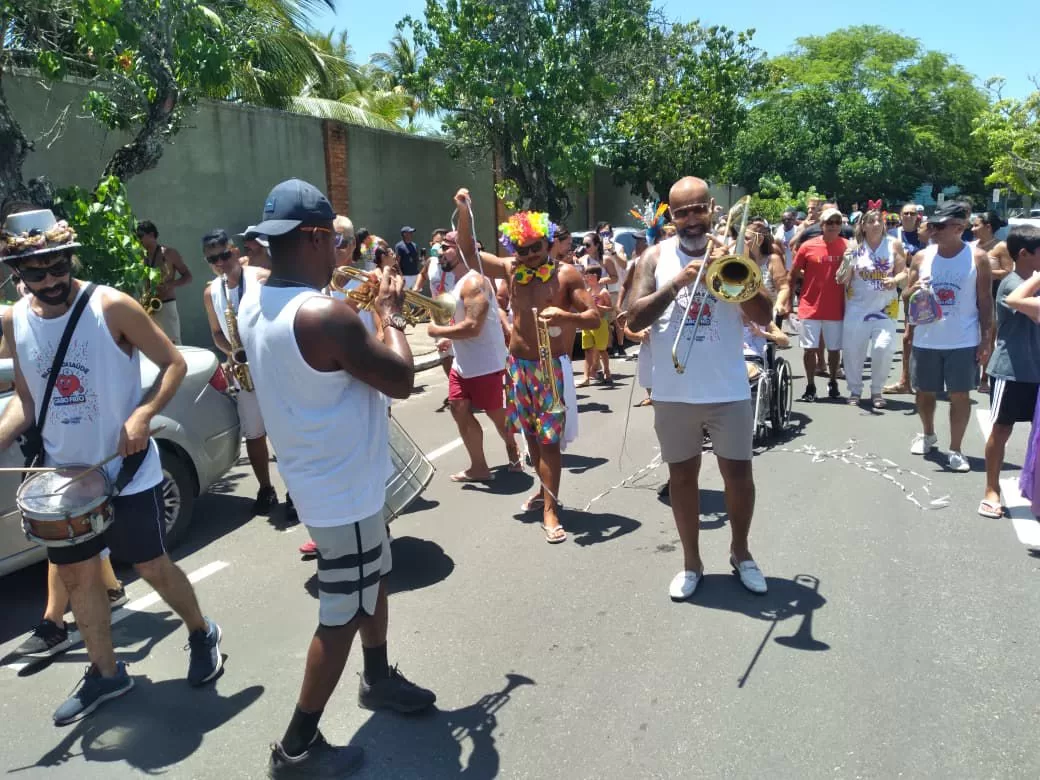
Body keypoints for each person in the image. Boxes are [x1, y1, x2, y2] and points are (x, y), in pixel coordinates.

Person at [236, 179, 435, 776]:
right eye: (338, 241)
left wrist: (362, 306)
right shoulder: (326, 314)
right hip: (341, 489)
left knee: (374, 581)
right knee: (342, 611)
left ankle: (376, 679)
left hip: (334, 479)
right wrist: (391, 312)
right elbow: (400, 377)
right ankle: (296, 746)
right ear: (319, 237)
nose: (343, 253)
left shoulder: (254, 301)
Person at [0, 208, 221, 725]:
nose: (52, 279)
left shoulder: (111, 306)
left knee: (149, 565)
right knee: (79, 579)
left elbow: (174, 363)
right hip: (68, 478)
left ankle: (199, 630)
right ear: (16, 273)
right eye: (37, 271)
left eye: (59, 265)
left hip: (128, 469)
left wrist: (143, 414)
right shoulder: (15, 320)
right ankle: (106, 673)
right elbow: (26, 403)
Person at [626, 175, 774, 600]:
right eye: (681, 212)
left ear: (711, 208)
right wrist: (677, 284)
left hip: (727, 388)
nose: (691, 219)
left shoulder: (735, 253)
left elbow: (763, 315)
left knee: (739, 478)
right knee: (682, 479)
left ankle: (741, 553)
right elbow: (632, 320)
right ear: (671, 216)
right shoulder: (654, 258)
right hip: (674, 393)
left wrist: (730, 272)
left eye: (697, 209)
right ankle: (691, 562)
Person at [455, 190, 599, 544]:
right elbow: (468, 252)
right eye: (522, 250)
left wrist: (565, 315)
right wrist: (463, 212)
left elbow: (594, 318)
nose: (530, 256)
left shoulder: (566, 276)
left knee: (548, 442)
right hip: (518, 368)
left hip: (551, 369)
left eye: (536, 247)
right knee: (532, 438)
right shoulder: (509, 269)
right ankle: (544, 489)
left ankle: (551, 508)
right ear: (513, 250)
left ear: (548, 243)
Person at [200, 229, 285, 516]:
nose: (221, 263)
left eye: (225, 255)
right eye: (213, 259)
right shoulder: (211, 292)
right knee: (254, 434)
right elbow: (215, 333)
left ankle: (297, 491)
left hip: (272, 366)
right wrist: (232, 351)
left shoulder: (261, 277)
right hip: (244, 370)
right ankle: (265, 488)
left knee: (285, 431)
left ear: (235, 251)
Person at [905, 201, 993, 472]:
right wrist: (914, 289)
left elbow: (985, 300)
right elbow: (905, 296)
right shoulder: (922, 257)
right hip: (926, 338)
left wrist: (986, 339)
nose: (933, 230)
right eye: (931, 225)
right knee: (924, 393)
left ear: (959, 227)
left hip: (963, 339)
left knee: (960, 395)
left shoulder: (977, 257)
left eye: (939, 226)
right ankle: (928, 433)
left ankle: (956, 449)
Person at [426, 231, 520, 482]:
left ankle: (513, 448)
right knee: (458, 408)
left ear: (462, 250)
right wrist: (449, 337)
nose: (440, 252)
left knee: (498, 419)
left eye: (446, 247)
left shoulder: (474, 281)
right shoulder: (455, 283)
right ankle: (479, 467)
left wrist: (439, 331)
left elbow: (473, 327)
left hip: (488, 364)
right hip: (462, 364)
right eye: (439, 247)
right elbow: (462, 322)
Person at [979, 225, 1040, 517]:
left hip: (1036, 371)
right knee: (1002, 429)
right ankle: (992, 489)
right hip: (1011, 369)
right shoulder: (1012, 283)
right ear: (1025, 254)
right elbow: (1025, 305)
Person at [840, 209, 908, 408]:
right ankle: (855, 390)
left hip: (885, 308)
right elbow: (842, 278)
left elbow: (904, 273)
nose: (876, 224)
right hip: (857, 307)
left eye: (879, 220)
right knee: (854, 351)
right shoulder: (854, 246)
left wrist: (894, 279)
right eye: (871, 221)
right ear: (863, 225)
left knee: (882, 349)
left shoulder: (894, 244)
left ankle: (877, 390)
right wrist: (845, 262)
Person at [787, 207, 848, 401]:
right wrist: (788, 302)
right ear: (822, 225)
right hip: (809, 305)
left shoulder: (849, 246)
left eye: (837, 222)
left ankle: (832, 381)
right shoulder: (808, 246)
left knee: (834, 349)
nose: (834, 226)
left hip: (836, 307)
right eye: (830, 223)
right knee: (809, 349)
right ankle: (811, 385)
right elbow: (793, 274)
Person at [884, 204, 924, 394]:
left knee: (915, 333)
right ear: (900, 216)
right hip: (897, 283)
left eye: (912, 213)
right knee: (895, 328)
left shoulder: (925, 234)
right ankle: (904, 380)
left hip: (919, 286)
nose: (909, 216)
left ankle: (919, 378)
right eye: (905, 213)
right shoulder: (893, 235)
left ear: (918, 216)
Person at [972, 212, 1012, 394]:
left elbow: (1008, 271)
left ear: (988, 227)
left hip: (993, 295)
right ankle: (969, 374)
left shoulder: (1001, 247)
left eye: (976, 225)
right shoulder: (971, 246)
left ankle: (984, 378)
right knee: (971, 335)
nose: (972, 229)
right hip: (971, 295)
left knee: (988, 336)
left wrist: (985, 271)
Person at [135, 220, 193, 344]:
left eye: (140, 236)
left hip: (166, 304)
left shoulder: (168, 253)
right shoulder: (141, 256)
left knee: (174, 345)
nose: (137, 240)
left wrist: (170, 285)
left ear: (151, 235)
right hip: (149, 306)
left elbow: (188, 276)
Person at [576, 265, 614, 387]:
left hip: (600, 323)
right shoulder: (586, 292)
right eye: (585, 275)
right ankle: (586, 377)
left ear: (595, 276)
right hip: (587, 323)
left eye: (588, 275)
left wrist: (599, 307)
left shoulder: (603, 291)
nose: (586, 277)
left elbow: (610, 308)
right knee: (587, 350)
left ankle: (607, 372)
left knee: (602, 350)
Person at [394, 225, 422, 289]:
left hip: (416, 275)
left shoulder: (415, 245)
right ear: (404, 234)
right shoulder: (399, 246)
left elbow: (416, 259)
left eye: (412, 232)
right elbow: (397, 262)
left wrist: (422, 259)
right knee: (406, 296)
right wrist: (401, 276)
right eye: (410, 232)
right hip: (405, 276)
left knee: (417, 295)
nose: (412, 234)